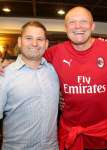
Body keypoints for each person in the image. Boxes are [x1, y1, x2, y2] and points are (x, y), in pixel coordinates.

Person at [44, 6, 107, 150]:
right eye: (72, 22)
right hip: (69, 132)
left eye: (83, 21)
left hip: (103, 135)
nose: (78, 26)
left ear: (92, 26)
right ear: (66, 27)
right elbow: (31, 62)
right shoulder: (54, 52)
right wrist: (7, 65)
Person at [0, 21, 60, 150]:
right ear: (20, 41)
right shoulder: (4, 75)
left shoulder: (54, 71)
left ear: (46, 44)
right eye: (29, 38)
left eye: (40, 39)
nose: (34, 43)